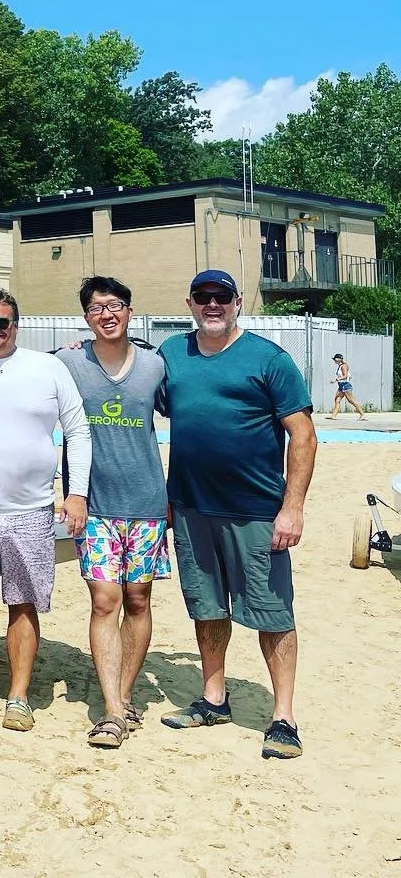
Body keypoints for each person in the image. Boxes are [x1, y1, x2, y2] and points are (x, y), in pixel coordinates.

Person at [159, 269, 316, 759]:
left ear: (237, 302)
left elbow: (304, 435)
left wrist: (291, 508)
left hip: (255, 512)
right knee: (206, 607)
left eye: (221, 297)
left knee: (272, 614)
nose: (212, 305)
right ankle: (213, 697)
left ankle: (284, 716)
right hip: (190, 507)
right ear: (189, 302)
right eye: (203, 297)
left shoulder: (268, 359)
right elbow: (122, 375)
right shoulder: (171, 355)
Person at [0, 288, 90, 733]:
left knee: (23, 605)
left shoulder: (48, 368)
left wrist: (76, 493)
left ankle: (19, 696)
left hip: (32, 509)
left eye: (0, 322)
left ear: (15, 325)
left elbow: (78, 431)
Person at [53, 276, 169, 749]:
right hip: (94, 504)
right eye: (97, 307)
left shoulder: (155, 366)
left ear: (129, 311)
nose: (107, 314)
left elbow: (192, 414)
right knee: (105, 600)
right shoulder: (66, 363)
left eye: (116, 305)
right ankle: (112, 711)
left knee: (138, 600)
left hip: (146, 504)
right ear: (86, 316)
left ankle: (122, 698)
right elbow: (5, 365)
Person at [325, 354, 367, 420]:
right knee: (337, 400)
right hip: (341, 386)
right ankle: (333, 415)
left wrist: (336, 380)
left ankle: (362, 415)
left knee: (351, 400)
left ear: (339, 359)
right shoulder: (340, 366)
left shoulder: (344, 366)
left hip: (345, 385)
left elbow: (345, 376)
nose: (334, 361)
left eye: (335, 359)